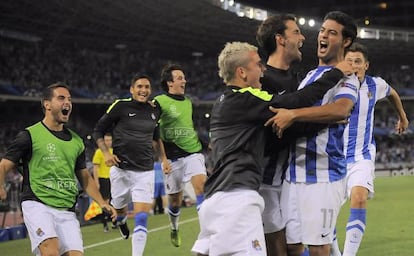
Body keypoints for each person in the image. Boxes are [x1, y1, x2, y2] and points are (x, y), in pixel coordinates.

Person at [191, 41, 354, 256]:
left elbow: (279, 136)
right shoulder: (246, 98)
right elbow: (293, 101)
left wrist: (325, 120)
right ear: (242, 72)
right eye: (258, 65)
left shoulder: (224, 103)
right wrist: (335, 74)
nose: (263, 69)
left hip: (215, 200)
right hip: (237, 199)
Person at [265, 11, 359, 256]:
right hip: (293, 174)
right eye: (322, 30)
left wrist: (294, 115)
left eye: (332, 32)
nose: (323, 36)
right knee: (291, 246)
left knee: (318, 248)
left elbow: (340, 109)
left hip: (323, 176)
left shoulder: (348, 77)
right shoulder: (308, 76)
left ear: (346, 41)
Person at [0, 82, 116, 256]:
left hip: (66, 209)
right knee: (50, 250)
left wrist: (102, 203)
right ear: (47, 104)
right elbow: (4, 165)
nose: (67, 103)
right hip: (37, 203)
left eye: (69, 99)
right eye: (61, 98)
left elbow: (84, 177)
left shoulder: (76, 141)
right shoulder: (29, 135)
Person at [336, 43, 409, 256]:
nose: (353, 65)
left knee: (359, 198)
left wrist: (402, 117)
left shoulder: (375, 85)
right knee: (326, 216)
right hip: (334, 158)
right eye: (349, 61)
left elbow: (393, 92)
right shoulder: (333, 85)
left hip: (362, 155)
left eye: (358, 61)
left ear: (366, 65)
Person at [93, 74, 170, 256]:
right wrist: (105, 152)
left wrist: (164, 159)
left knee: (142, 216)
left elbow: (156, 138)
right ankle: (120, 221)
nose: (143, 90)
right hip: (121, 171)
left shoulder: (154, 111)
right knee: (119, 211)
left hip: (145, 171)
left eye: (147, 87)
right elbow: (98, 129)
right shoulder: (120, 106)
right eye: (140, 86)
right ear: (132, 89)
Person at [256, 13, 306, 256]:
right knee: (277, 245)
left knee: (296, 245)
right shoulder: (262, 80)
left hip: (291, 176)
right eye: (296, 32)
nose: (302, 37)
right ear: (280, 40)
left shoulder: (297, 79)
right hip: (266, 179)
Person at [153, 63, 207, 247]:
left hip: (193, 153)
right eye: (180, 78)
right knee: (175, 201)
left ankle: (207, 232)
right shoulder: (159, 102)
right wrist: (163, 159)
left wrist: (208, 144)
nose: (184, 81)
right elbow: (154, 131)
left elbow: (188, 128)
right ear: (169, 83)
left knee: (201, 187)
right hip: (172, 158)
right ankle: (174, 227)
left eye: (184, 77)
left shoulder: (188, 102)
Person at [92, 132, 115, 232]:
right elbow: (95, 168)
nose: (108, 142)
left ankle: (115, 221)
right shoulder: (99, 152)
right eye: (106, 140)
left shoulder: (113, 151)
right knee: (105, 202)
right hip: (103, 178)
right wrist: (96, 182)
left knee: (114, 200)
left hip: (112, 179)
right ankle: (105, 224)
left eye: (109, 140)